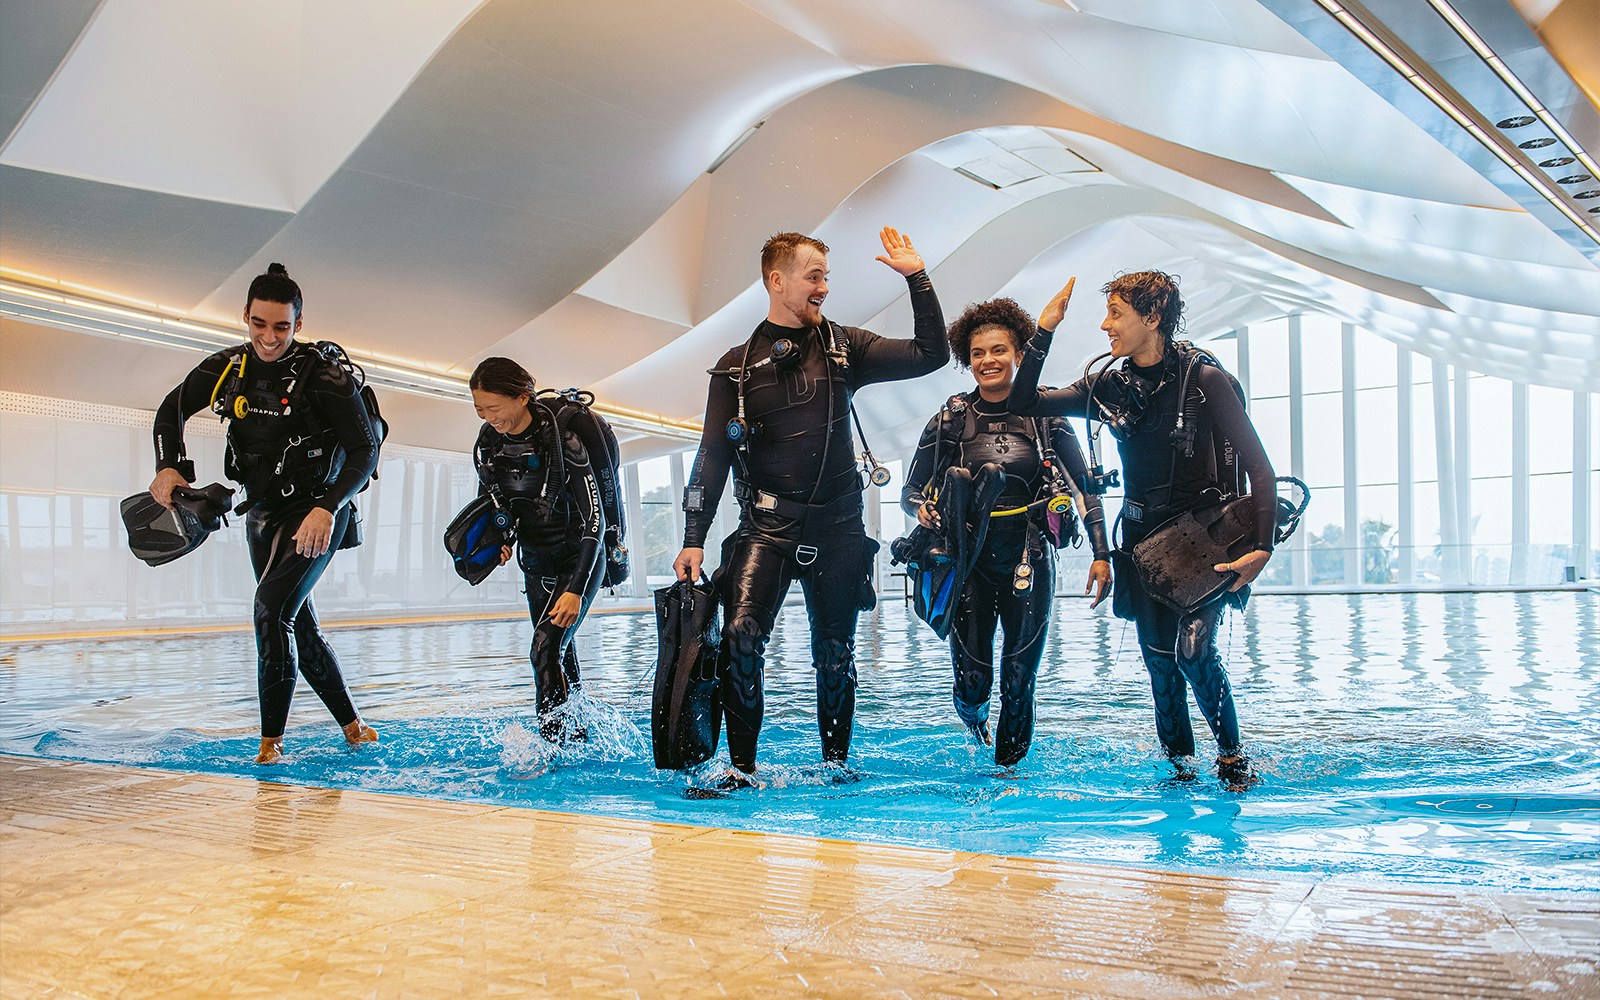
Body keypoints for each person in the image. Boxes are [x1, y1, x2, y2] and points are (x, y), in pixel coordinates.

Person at [672, 227, 949, 786]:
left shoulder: (848, 349)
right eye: (814, 276)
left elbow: (931, 354)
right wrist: (694, 535)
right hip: (765, 526)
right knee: (741, 635)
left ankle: (834, 765)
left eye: (827, 276)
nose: (825, 286)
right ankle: (743, 768)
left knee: (834, 651)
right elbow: (711, 457)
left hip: (840, 525)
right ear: (777, 281)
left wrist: (917, 277)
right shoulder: (735, 368)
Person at [1009, 272, 1275, 785]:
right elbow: (1026, 403)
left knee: (1194, 651)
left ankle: (1232, 758)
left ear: (1152, 318)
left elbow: (1259, 468)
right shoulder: (1108, 384)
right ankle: (1181, 772)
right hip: (1143, 544)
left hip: (1206, 539)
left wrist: (1261, 548)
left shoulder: (1205, 380)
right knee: (1160, 667)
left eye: (1115, 313)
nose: (1105, 325)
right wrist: (1043, 331)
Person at [149, 263, 380, 765]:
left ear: (298, 323)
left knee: (270, 610)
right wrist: (169, 466)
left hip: (318, 512)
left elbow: (365, 453)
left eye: (281, 326)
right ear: (246, 318)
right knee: (295, 623)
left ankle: (270, 746)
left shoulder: (325, 378)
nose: (269, 337)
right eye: (259, 324)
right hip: (262, 513)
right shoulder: (229, 367)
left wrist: (327, 507)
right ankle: (355, 727)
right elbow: (171, 409)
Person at [901, 298, 1112, 767]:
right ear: (966, 358)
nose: (988, 361)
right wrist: (922, 512)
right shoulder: (951, 420)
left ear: (1019, 355)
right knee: (974, 681)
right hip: (967, 560)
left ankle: (1008, 772)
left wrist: (1102, 552)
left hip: (1027, 558)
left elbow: (1083, 490)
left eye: (999, 350)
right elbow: (910, 491)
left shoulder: (1045, 415)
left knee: (1019, 678)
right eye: (978, 353)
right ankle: (975, 721)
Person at [468, 357, 604, 742]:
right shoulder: (490, 443)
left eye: (494, 408)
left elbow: (596, 520)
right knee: (559, 654)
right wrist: (500, 540)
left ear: (522, 397)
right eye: (479, 409)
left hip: (578, 558)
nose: (487, 417)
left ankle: (552, 748)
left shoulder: (563, 442)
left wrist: (575, 589)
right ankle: (578, 738)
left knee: (543, 650)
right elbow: (491, 504)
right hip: (535, 562)